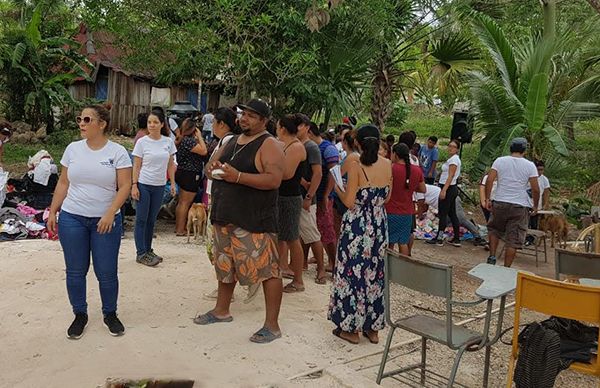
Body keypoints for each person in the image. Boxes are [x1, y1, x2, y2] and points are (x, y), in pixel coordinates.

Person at [196, 99, 285, 344]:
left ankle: (272, 325)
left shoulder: (270, 144)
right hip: (225, 215)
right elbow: (210, 170)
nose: (244, 118)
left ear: (264, 120)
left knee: (268, 270)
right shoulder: (232, 141)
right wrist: (212, 167)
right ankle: (221, 310)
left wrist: (237, 177)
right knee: (225, 266)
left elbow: (274, 180)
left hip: (254, 219)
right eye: (243, 114)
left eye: (251, 116)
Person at [47, 104, 132, 339]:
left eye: (87, 119)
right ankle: (79, 314)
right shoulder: (73, 149)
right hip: (72, 217)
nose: (81, 124)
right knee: (75, 271)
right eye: (79, 119)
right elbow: (64, 182)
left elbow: (125, 185)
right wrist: (54, 210)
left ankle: (110, 314)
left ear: (102, 124)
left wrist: (110, 212)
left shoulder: (117, 152)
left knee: (106, 272)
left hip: (105, 220)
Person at [328, 124, 392, 345]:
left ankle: (350, 328)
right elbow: (388, 197)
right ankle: (372, 329)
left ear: (357, 143)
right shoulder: (387, 164)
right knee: (374, 274)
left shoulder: (355, 166)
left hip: (357, 224)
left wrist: (337, 186)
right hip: (379, 222)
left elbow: (347, 201)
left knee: (351, 273)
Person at [484, 138, 539, 267]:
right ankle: (506, 267)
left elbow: (490, 180)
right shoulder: (530, 165)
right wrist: (535, 205)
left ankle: (492, 256)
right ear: (524, 150)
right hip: (519, 205)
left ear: (511, 148)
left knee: (494, 229)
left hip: (500, 201)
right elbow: (535, 188)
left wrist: (487, 199)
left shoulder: (500, 161)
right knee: (514, 238)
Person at [131, 111, 177, 266]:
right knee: (141, 219)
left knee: (151, 220)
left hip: (160, 185)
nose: (152, 125)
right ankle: (141, 252)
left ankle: (148, 249)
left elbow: (171, 164)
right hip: (144, 184)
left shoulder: (168, 142)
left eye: (155, 122)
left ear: (162, 124)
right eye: (150, 122)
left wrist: (172, 183)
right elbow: (136, 165)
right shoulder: (142, 142)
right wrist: (134, 185)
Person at [276, 114, 307, 293]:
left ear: (283, 129)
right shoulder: (285, 145)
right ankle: (281, 270)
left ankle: (298, 280)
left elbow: (287, 173)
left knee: (292, 238)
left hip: (290, 197)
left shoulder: (296, 147)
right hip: (282, 196)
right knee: (282, 237)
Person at [296, 114, 327, 285]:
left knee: (312, 234)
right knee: (300, 233)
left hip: (306, 197)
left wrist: (309, 196)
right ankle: (301, 265)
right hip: (297, 195)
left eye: (299, 125)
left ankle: (321, 268)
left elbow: (318, 174)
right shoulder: (297, 145)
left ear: (307, 127)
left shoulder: (311, 147)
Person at [308, 122, 339, 273]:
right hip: (315, 195)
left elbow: (334, 173)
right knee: (315, 228)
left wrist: (327, 194)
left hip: (323, 196)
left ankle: (334, 263)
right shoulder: (314, 147)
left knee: (327, 230)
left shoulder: (328, 148)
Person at [386, 143, 425, 255]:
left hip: (390, 210)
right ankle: (404, 264)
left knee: (389, 242)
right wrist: (410, 187)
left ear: (396, 154)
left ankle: (388, 267)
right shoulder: (417, 170)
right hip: (407, 212)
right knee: (403, 242)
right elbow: (423, 189)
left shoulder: (391, 169)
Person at [174, 119, 208, 236]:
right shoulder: (189, 141)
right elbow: (204, 151)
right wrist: (200, 137)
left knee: (181, 202)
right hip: (191, 174)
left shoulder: (181, 140)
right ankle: (180, 229)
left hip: (182, 172)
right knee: (186, 203)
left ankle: (179, 226)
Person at [426, 139, 462, 247]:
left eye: (453, 147)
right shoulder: (452, 159)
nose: (450, 148)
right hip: (449, 187)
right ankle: (456, 238)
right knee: (451, 213)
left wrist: (444, 190)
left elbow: (450, 176)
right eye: (449, 145)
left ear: (457, 149)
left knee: (443, 213)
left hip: (448, 187)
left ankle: (439, 238)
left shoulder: (454, 161)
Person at [332, 129, 359, 240]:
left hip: (343, 195)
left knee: (339, 229)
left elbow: (338, 175)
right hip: (346, 193)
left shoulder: (351, 157)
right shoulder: (354, 156)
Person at [525, 160, 551, 245]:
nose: (540, 172)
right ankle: (524, 238)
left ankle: (531, 239)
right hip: (526, 204)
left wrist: (545, 204)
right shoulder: (527, 178)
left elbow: (546, 193)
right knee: (525, 223)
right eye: (538, 169)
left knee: (534, 223)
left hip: (537, 205)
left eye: (541, 170)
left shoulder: (544, 180)